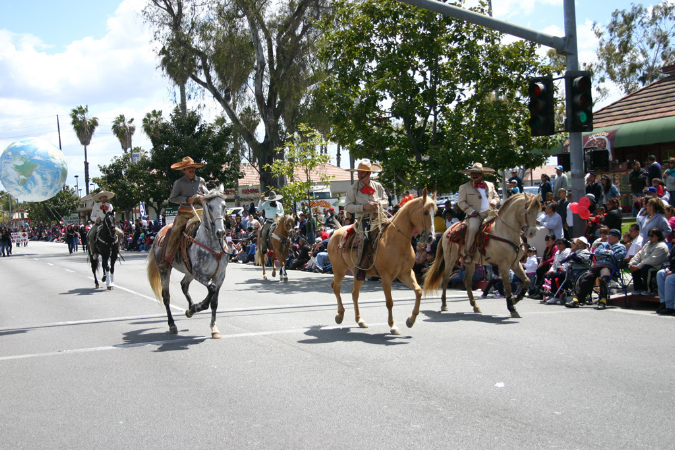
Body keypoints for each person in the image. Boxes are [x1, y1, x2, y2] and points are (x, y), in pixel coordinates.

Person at [344, 158, 388, 280]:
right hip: (364, 219)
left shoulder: (378, 186)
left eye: (362, 173)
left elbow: (386, 201)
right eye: (358, 172)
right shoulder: (353, 188)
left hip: (379, 217)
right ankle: (360, 266)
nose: (359, 175)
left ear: (369, 174)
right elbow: (347, 206)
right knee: (366, 238)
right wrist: (364, 207)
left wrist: (378, 203)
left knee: (397, 230)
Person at [565, 228, 626, 310]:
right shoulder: (604, 245)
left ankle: (603, 300)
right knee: (587, 278)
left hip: (609, 266)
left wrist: (605, 253)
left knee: (603, 278)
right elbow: (596, 252)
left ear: (617, 237)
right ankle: (577, 299)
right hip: (598, 265)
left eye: (611, 235)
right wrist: (608, 252)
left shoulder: (621, 246)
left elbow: (618, 256)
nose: (609, 237)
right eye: (609, 235)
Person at [166, 156, 209, 262]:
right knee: (176, 230)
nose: (192, 169)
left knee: (216, 226)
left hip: (201, 211)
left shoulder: (201, 180)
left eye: (193, 167)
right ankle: (168, 255)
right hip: (185, 212)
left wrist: (204, 198)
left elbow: (207, 194)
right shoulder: (179, 183)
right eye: (189, 168)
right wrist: (186, 199)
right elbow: (172, 198)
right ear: (184, 170)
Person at [456, 163, 500, 264]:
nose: (474, 175)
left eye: (477, 173)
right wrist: (471, 211)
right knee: (473, 228)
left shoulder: (490, 185)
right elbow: (461, 202)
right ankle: (467, 254)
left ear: (482, 174)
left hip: (490, 213)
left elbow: (496, 197)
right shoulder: (464, 187)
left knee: (505, 223)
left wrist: (494, 202)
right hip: (475, 215)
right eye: (472, 173)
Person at [628, 227, 669, 295]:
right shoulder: (648, 244)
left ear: (658, 236)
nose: (650, 237)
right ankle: (638, 289)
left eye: (652, 235)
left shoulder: (661, 246)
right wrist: (632, 263)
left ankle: (649, 290)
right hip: (644, 264)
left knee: (646, 269)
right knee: (634, 267)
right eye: (649, 235)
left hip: (657, 266)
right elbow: (639, 254)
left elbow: (652, 260)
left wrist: (638, 266)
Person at [257, 191, 284, 255]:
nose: (273, 201)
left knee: (286, 230)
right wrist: (261, 201)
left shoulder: (279, 204)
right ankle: (264, 247)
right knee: (263, 232)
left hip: (277, 220)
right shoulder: (266, 203)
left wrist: (279, 215)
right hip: (269, 221)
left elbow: (282, 212)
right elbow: (259, 209)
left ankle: (286, 245)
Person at [656, 242, 675, 315]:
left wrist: (672, 271)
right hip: (672, 270)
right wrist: (667, 268)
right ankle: (663, 302)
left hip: (673, 272)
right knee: (660, 273)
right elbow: (669, 260)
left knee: (670, 279)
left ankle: (670, 306)